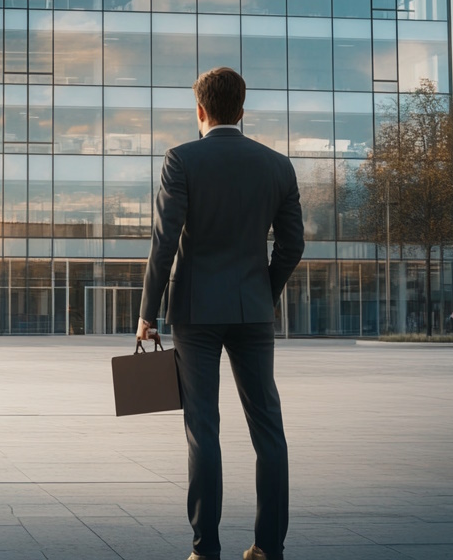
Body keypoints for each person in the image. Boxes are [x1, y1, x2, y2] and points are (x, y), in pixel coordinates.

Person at [137, 66, 303, 560]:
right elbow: (292, 245)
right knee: (268, 429)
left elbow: (164, 241)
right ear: (243, 110)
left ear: (201, 111)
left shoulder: (181, 160)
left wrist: (148, 311)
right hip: (252, 311)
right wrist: (262, 293)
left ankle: (205, 549)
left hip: (195, 312)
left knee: (202, 428)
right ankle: (268, 546)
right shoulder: (278, 166)